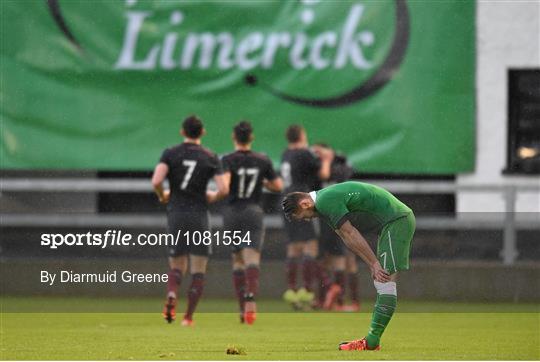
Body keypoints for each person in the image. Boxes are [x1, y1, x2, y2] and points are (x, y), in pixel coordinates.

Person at [282, 181, 415, 351]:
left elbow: (350, 232)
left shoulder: (325, 201)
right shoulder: (324, 204)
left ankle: (371, 342)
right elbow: (347, 238)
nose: (307, 219)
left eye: (304, 215)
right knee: (383, 282)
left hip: (397, 221)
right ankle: (371, 340)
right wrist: (371, 263)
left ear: (305, 203)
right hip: (392, 224)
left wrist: (374, 263)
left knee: (385, 282)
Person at [151, 115, 229, 327]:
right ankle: (188, 318)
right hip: (199, 215)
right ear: (202, 132)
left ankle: (171, 294)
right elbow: (223, 188)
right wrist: (212, 196)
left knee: (177, 265)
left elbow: (157, 180)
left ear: (182, 132)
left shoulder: (170, 153)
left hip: (176, 212)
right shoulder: (211, 157)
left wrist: (162, 194)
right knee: (198, 269)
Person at [221, 121, 283, 324]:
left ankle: (241, 308)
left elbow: (226, 184)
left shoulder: (227, 159)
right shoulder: (262, 160)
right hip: (253, 211)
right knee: (252, 259)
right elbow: (278, 185)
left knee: (237, 260)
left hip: (232, 212)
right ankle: (251, 299)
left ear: (234, 137)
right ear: (251, 138)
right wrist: (261, 181)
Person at [280, 125, 333, 309]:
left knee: (293, 248)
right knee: (310, 246)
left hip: (286, 201)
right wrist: (326, 158)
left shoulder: (286, 154)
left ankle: (292, 291)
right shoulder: (304, 153)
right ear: (302, 135)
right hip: (301, 203)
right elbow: (324, 174)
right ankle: (307, 292)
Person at [311, 144, 358, 311]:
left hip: (341, 217)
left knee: (345, 260)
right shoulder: (316, 170)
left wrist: (327, 159)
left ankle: (346, 301)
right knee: (325, 260)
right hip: (326, 219)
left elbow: (330, 175)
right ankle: (326, 298)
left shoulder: (340, 168)